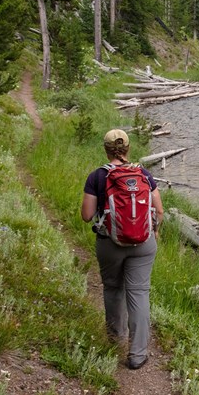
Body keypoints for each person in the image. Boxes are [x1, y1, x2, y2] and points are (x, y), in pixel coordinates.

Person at [80, 128, 163, 370]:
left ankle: (115, 341)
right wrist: (154, 232)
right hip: (143, 243)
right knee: (139, 293)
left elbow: (87, 216)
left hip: (110, 243)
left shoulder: (97, 177)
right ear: (128, 149)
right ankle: (137, 354)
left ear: (106, 149)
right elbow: (159, 211)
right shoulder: (144, 175)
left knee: (113, 288)